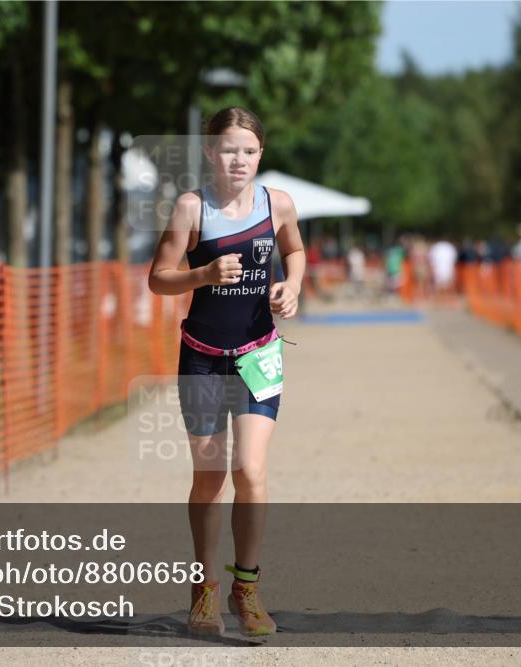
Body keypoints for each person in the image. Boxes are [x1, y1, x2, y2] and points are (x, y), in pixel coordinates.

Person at [147, 106, 305, 637]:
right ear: (211, 153)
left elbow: (296, 250)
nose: (239, 159)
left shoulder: (276, 204)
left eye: (250, 150)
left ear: (261, 154)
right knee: (211, 478)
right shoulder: (192, 208)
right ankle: (204, 589)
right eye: (229, 149)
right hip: (203, 356)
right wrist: (204, 274)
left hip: (259, 354)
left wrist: (293, 285)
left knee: (252, 473)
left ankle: (247, 588)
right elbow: (158, 279)